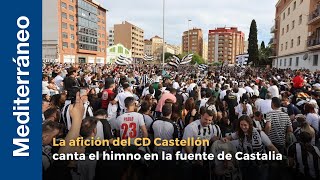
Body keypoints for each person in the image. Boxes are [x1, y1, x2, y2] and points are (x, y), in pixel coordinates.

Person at [223, 115, 278, 180]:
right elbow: (228, 138)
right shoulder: (239, 133)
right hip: (246, 165)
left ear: (250, 125)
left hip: (260, 165)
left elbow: (271, 146)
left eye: (245, 125)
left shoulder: (259, 133)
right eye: (241, 124)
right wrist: (225, 139)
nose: (243, 127)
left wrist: (279, 156)